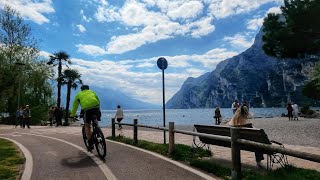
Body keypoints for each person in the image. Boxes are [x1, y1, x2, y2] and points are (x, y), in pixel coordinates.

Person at [71, 85, 101, 151]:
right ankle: (98, 131)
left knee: (87, 126)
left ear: (81, 89)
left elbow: (75, 106)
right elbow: (98, 100)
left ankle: (90, 143)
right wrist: (98, 109)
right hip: (96, 108)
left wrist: (72, 115)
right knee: (95, 120)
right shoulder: (93, 92)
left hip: (87, 110)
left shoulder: (79, 94)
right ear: (88, 88)